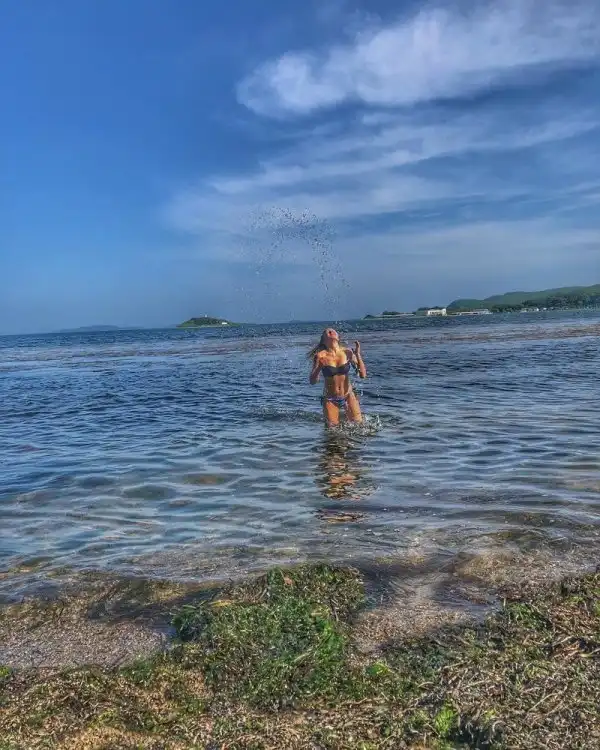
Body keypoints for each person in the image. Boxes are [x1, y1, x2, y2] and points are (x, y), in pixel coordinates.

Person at [308, 327, 367, 428]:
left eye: (333, 331)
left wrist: (357, 355)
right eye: (328, 331)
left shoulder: (347, 352)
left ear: (338, 337)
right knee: (332, 430)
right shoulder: (320, 356)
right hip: (330, 399)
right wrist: (319, 368)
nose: (331, 331)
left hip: (348, 395)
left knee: (359, 426)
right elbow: (312, 381)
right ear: (323, 340)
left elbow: (363, 375)